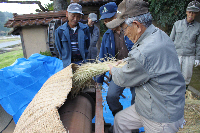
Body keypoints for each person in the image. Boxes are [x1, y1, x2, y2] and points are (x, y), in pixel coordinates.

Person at [106, 0, 186, 132]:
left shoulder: (143, 53)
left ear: (137, 25)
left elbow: (123, 79)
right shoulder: (157, 33)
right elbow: (146, 60)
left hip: (161, 114)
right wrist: (125, 61)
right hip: (149, 105)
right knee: (120, 120)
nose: (124, 33)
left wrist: (112, 69)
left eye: (124, 28)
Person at [97, 2, 135, 132]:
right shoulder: (107, 36)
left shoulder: (130, 29)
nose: (108, 23)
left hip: (135, 70)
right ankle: (120, 120)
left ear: (117, 16)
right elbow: (102, 59)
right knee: (111, 96)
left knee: (137, 99)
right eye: (105, 21)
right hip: (118, 71)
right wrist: (99, 81)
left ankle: (133, 125)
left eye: (110, 19)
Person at [170, 1, 200, 89]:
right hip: (176, 54)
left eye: (194, 13)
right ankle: (173, 93)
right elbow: (170, 40)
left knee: (186, 77)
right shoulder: (177, 24)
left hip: (189, 56)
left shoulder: (198, 27)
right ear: (186, 12)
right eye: (190, 12)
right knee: (174, 75)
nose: (191, 15)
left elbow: (198, 44)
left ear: (197, 14)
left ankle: (183, 93)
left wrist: (198, 58)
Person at [55, 3, 90, 68]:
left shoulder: (85, 29)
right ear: (67, 14)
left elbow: (87, 45)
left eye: (78, 16)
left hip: (82, 63)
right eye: (73, 16)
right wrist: (65, 59)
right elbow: (59, 49)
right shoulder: (60, 31)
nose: (75, 19)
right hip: (68, 64)